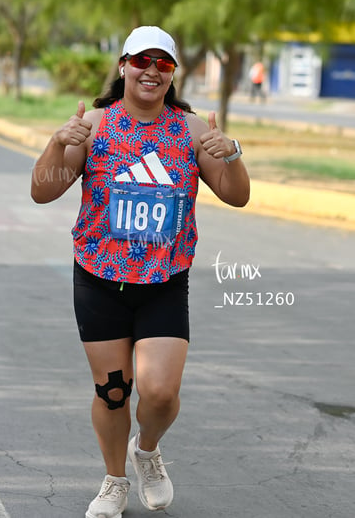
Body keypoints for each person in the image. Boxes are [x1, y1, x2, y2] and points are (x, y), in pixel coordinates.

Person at [31, 25, 250, 518]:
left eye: (163, 64)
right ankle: (114, 481)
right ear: (124, 66)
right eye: (142, 61)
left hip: (163, 283)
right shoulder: (97, 125)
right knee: (113, 392)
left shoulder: (191, 129)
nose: (152, 71)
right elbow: (43, 190)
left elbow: (237, 195)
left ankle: (146, 450)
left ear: (172, 74)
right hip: (98, 279)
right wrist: (57, 142)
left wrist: (231, 153)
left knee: (158, 392)